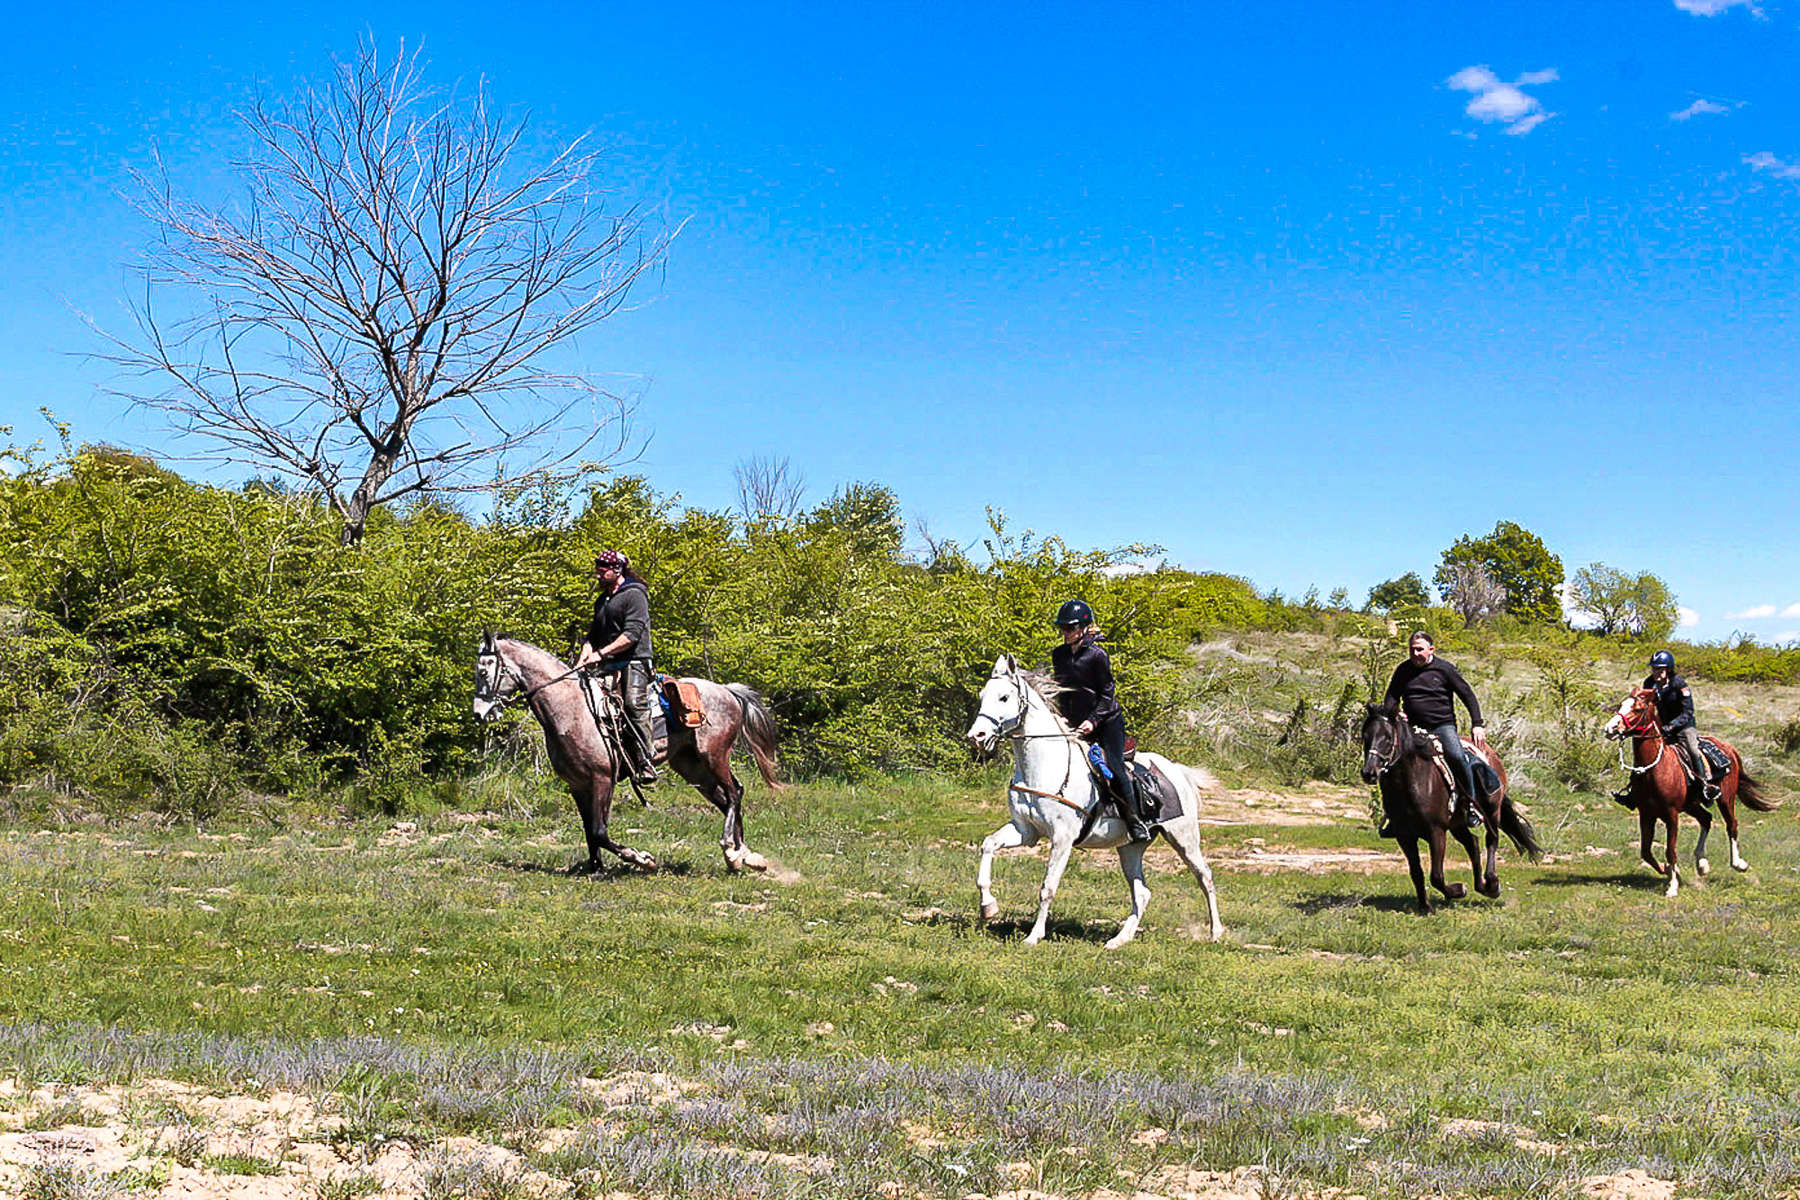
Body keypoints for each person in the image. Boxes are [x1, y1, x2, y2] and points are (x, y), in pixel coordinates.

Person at [1050, 600, 1152, 843]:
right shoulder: (1059, 654)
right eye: (1062, 628)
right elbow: (1063, 690)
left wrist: (1093, 721)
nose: (1065, 633)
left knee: (1115, 769)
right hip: (1075, 722)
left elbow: (1107, 694)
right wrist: (1064, 714)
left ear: (1084, 628)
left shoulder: (1097, 655)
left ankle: (1135, 822)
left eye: (1069, 628)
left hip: (1107, 722)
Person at [1381, 631, 1488, 834]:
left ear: (1431, 649)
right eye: (1412, 649)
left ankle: (1471, 806)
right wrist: (1395, 713)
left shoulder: (1444, 669)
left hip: (1442, 725)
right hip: (1412, 727)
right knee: (1390, 761)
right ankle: (1393, 816)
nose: (1415, 653)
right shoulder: (1403, 670)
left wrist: (1477, 723)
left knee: (1456, 756)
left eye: (1420, 649)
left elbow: (1467, 694)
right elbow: (1391, 697)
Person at [575, 550, 658, 785]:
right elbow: (591, 637)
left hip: (635, 661)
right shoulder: (602, 600)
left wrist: (600, 654)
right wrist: (582, 660)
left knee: (633, 704)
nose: (598, 575)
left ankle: (645, 760)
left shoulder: (635, 595)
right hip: (607, 662)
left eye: (603, 571)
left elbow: (631, 636)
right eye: (597, 571)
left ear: (617, 570)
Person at [1616, 649, 1716, 809]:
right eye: (1654, 669)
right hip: (1661, 725)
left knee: (1693, 748)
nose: (1656, 672)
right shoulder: (1649, 683)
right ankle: (1633, 792)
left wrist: (1672, 726)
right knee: (1644, 753)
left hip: (1684, 725)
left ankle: (1705, 785)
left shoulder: (1679, 684)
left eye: (1660, 669)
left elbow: (1688, 711)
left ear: (1668, 669)